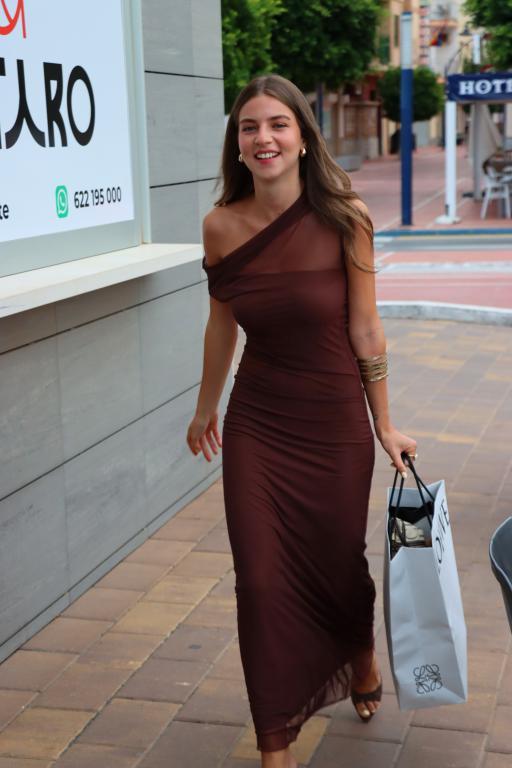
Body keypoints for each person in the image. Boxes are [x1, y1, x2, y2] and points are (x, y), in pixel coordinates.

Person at [186, 73, 417, 768]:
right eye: (249, 127)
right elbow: (221, 326)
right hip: (258, 423)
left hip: (335, 423)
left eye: (277, 124)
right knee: (259, 581)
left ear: (303, 138)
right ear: (237, 143)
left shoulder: (346, 217)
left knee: (340, 564)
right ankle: (275, 743)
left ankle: (359, 655)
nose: (264, 138)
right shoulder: (220, 226)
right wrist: (205, 406)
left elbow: (366, 329)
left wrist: (385, 425)